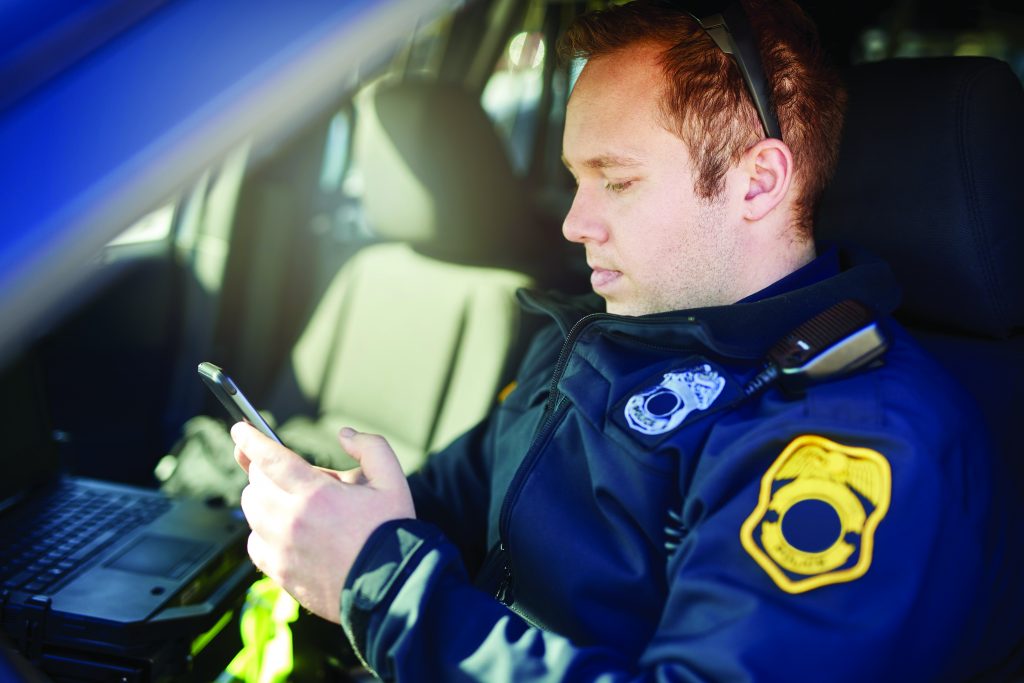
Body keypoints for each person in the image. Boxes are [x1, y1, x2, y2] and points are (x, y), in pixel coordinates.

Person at [230, 0, 1023, 680]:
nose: (576, 224)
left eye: (617, 179)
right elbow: (458, 504)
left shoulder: (857, 436)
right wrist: (335, 516)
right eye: (575, 178)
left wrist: (381, 583)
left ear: (759, 181)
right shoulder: (595, 336)